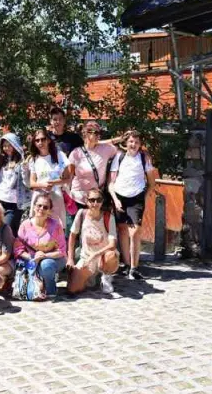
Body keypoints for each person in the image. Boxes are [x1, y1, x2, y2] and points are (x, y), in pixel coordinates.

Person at [109, 130, 157, 280]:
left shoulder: (144, 158)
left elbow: (152, 183)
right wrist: (115, 200)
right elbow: (111, 183)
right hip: (119, 196)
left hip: (136, 197)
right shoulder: (119, 157)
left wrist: (144, 197)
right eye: (131, 141)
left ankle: (135, 268)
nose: (133, 144)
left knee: (135, 231)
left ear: (140, 144)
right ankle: (127, 264)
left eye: (136, 142)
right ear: (126, 143)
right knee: (122, 230)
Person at [14, 192, 67, 299]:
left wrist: (44, 256)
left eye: (45, 207)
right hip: (30, 259)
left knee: (46, 265)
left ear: (50, 210)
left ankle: (50, 287)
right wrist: (33, 258)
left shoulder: (56, 226)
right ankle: (34, 286)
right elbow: (18, 249)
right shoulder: (25, 225)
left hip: (52, 259)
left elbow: (61, 250)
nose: (41, 209)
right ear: (34, 207)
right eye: (39, 205)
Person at [67, 188, 119, 294]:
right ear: (86, 201)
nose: (95, 203)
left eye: (98, 200)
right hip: (86, 258)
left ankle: (106, 277)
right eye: (92, 200)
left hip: (103, 258)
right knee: (72, 289)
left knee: (111, 255)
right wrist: (70, 259)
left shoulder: (109, 217)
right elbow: (72, 236)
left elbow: (112, 245)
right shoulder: (81, 214)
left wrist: (95, 255)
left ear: (102, 201)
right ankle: (92, 278)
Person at [67, 121, 119, 211]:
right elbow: (69, 177)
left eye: (99, 133)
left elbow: (124, 153)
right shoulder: (75, 153)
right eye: (96, 133)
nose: (99, 135)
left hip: (96, 199)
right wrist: (67, 197)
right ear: (86, 133)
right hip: (78, 198)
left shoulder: (107, 149)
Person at [28, 128, 71, 230]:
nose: (40, 142)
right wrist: (43, 185)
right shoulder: (33, 159)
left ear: (48, 140)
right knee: (37, 227)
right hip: (39, 197)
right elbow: (32, 183)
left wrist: (53, 183)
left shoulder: (59, 155)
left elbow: (67, 178)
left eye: (43, 139)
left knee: (56, 228)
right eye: (37, 140)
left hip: (55, 195)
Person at [0, 133, 29, 234]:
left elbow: (27, 182)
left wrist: (25, 169)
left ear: (15, 145)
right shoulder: (2, 160)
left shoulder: (22, 162)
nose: (6, 148)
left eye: (9, 145)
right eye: (4, 146)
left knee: (8, 230)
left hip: (14, 203)